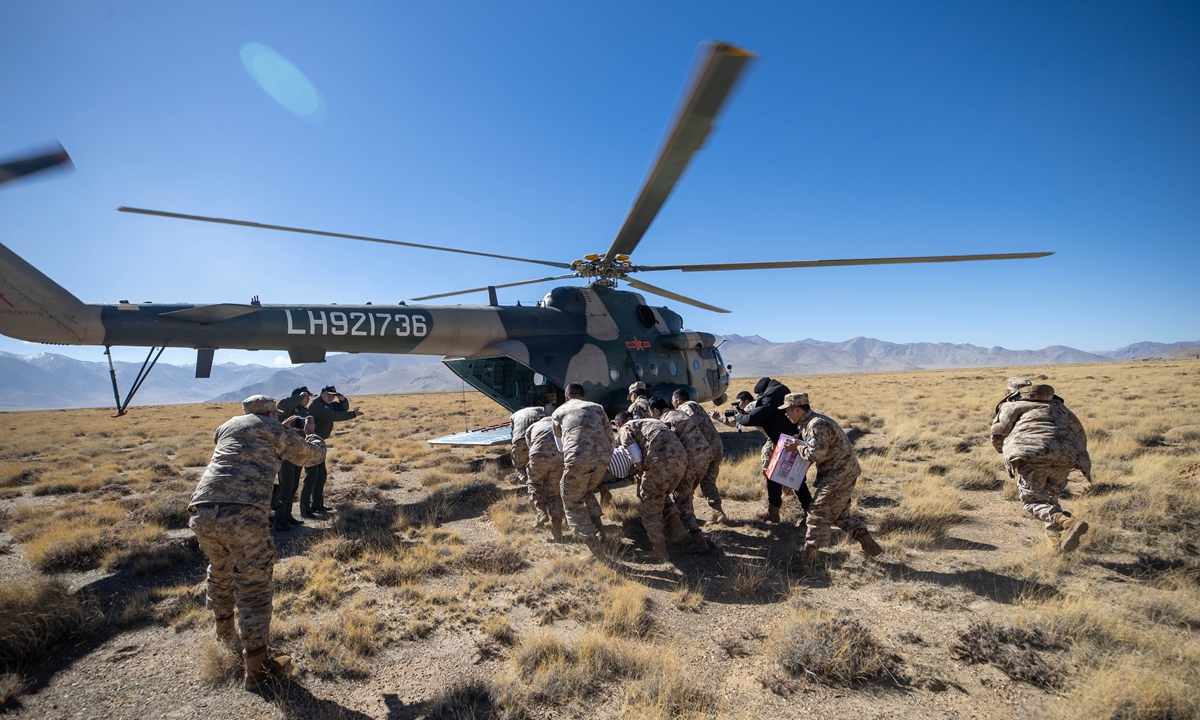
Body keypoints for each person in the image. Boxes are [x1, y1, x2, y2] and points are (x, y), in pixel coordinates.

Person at [187, 395, 326, 689]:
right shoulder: (275, 429)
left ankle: (225, 635)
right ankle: (258, 667)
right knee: (254, 585)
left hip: (203, 510)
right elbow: (312, 457)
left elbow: (248, 441)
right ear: (271, 412)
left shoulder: (227, 426)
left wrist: (279, 428)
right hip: (243, 514)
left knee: (221, 569)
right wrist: (310, 433)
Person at [779, 392, 881, 565]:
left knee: (817, 512)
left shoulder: (817, 424)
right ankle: (869, 543)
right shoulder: (810, 423)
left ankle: (809, 561)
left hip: (839, 474)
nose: (786, 414)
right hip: (839, 473)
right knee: (838, 515)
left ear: (797, 409)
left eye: (787, 410)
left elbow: (816, 454)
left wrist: (797, 447)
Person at [990, 381, 1091, 551]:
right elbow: (1080, 433)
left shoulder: (1012, 406)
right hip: (1064, 456)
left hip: (1031, 457)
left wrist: (1004, 451)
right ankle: (1054, 544)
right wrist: (1074, 457)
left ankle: (1068, 521)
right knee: (1050, 498)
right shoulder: (1058, 406)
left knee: (1033, 502)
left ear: (1011, 392)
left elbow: (998, 433)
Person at [713, 378, 812, 522]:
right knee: (793, 479)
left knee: (778, 478)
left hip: (783, 443)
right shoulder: (780, 400)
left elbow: (741, 420)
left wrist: (726, 417)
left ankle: (781, 513)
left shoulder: (758, 405)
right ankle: (803, 513)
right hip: (791, 440)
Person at [614, 411, 694, 561]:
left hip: (659, 461)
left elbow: (635, 454)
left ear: (618, 425)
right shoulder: (649, 422)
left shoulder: (626, 428)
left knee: (649, 507)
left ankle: (659, 552)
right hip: (681, 459)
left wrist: (640, 469)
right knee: (661, 494)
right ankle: (677, 528)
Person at [551, 382, 613, 555]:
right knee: (585, 491)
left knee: (571, 500)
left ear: (566, 398)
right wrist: (604, 459)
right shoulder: (597, 407)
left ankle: (594, 548)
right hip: (602, 460)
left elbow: (561, 447)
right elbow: (610, 438)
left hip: (577, 460)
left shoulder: (558, 412)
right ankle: (600, 530)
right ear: (584, 397)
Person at [648, 397, 711, 553]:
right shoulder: (680, 413)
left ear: (656, 410)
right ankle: (686, 530)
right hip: (705, 455)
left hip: (690, 459)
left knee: (681, 499)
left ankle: (698, 540)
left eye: (651, 413)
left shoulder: (664, 421)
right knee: (686, 495)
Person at [300, 385, 364, 518]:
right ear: (321, 393)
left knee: (321, 475)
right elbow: (334, 415)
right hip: (310, 443)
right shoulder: (317, 406)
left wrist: (342, 400)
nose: (330, 397)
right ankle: (305, 509)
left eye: (333, 395)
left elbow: (341, 409)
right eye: (327, 394)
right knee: (311, 476)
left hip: (318, 443)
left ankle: (317, 504)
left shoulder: (327, 404)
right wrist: (352, 414)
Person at [672, 388, 727, 523]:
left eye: (673, 401)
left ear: (678, 400)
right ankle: (717, 512)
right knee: (708, 481)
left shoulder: (686, 407)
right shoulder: (697, 406)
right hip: (716, 446)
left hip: (703, 450)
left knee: (686, 484)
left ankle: (687, 518)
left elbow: (690, 423)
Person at [272, 387, 312, 531]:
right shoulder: (286, 410)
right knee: (286, 486)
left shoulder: (303, 411)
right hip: (287, 454)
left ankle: (288, 516)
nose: (308, 399)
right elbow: (281, 405)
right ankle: (279, 519)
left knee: (294, 485)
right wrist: (299, 396)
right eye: (306, 396)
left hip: (298, 453)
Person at [525, 414, 565, 540]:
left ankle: (541, 511)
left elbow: (530, 448)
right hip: (560, 459)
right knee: (555, 493)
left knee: (534, 483)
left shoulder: (532, 427)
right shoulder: (559, 425)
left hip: (539, 457)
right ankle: (557, 529)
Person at [509, 405, 547, 516]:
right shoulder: (540, 410)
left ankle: (533, 490)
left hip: (519, 442)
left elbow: (513, 432)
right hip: (537, 442)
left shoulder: (514, 415)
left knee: (521, 468)